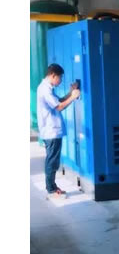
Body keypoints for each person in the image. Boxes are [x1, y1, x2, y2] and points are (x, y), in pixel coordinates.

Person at [37, 64, 80, 197]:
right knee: (52, 161)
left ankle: (52, 187)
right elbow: (59, 107)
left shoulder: (47, 88)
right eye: (60, 77)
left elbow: (59, 101)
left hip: (51, 131)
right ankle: (51, 189)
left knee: (52, 160)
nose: (60, 80)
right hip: (51, 131)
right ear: (53, 75)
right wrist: (73, 97)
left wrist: (70, 93)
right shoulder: (45, 89)